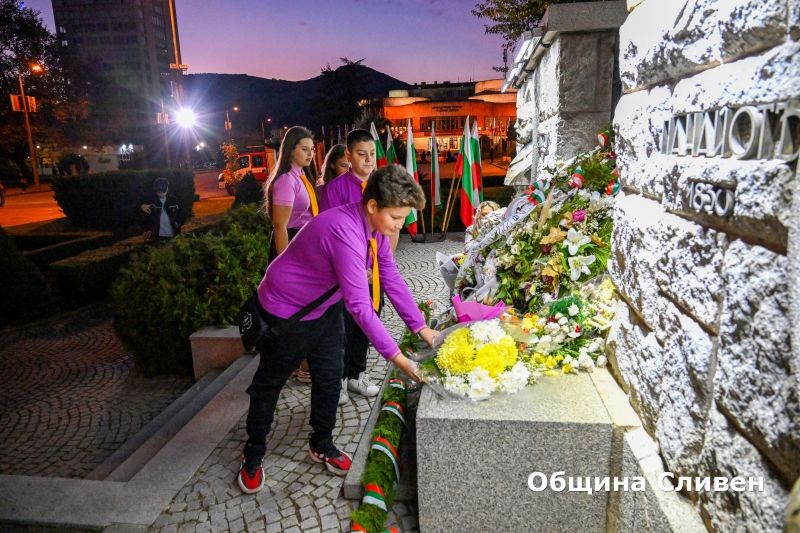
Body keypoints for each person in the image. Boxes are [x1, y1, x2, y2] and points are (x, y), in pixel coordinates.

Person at [237, 165, 438, 494]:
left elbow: (390, 277)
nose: (400, 225)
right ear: (372, 205)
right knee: (268, 385)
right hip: (287, 312)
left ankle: (321, 443)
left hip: (324, 308)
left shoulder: (375, 228)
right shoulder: (344, 230)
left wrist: (422, 328)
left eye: (404, 218)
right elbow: (359, 306)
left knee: (331, 377)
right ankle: (253, 451)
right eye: (396, 217)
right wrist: (399, 359)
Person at [318, 129, 385, 404]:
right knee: (343, 327)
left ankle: (358, 374)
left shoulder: (381, 186)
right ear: (348, 155)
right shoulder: (335, 189)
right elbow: (331, 234)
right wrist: (355, 270)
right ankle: (340, 380)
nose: (368, 159)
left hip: (374, 270)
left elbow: (387, 230)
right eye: (361, 154)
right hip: (346, 272)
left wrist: (377, 267)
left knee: (367, 323)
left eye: (372, 154)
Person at [264, 126, 317, 263]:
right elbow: (280, 226)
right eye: (304, 149)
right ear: (291, 150)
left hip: (305, 240)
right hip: (291, 242)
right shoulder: (286, 181)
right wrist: (285, 263)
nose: (310, 154)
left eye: (312, 149)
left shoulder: (302, 176)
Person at [139, 178, 185, 242]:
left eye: (163, 189)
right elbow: (140, 216)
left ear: (167, 188)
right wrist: (141, 207)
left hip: (174, 235)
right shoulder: (149, 201)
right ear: (155, 189)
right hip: (156, 237)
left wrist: (177, 223)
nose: (161, 192)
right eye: (159, 190)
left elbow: (182, 214)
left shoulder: (174, 201)